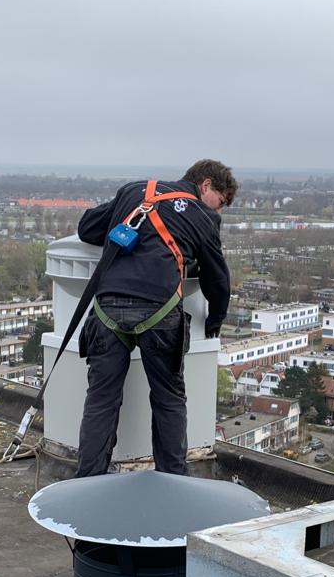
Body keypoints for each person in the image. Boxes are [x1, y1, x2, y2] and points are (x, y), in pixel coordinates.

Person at [75, 158, 236, 477]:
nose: (218, 211)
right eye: (220, 203)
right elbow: (218, 280)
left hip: (107, 310)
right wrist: (215, 319)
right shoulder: (203, 217)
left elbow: (88, 229)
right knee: (168, 399)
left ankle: (87, 481)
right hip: (160, 314)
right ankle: (172, 481)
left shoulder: (135, 191)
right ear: (206, 186)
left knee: (101, 400)